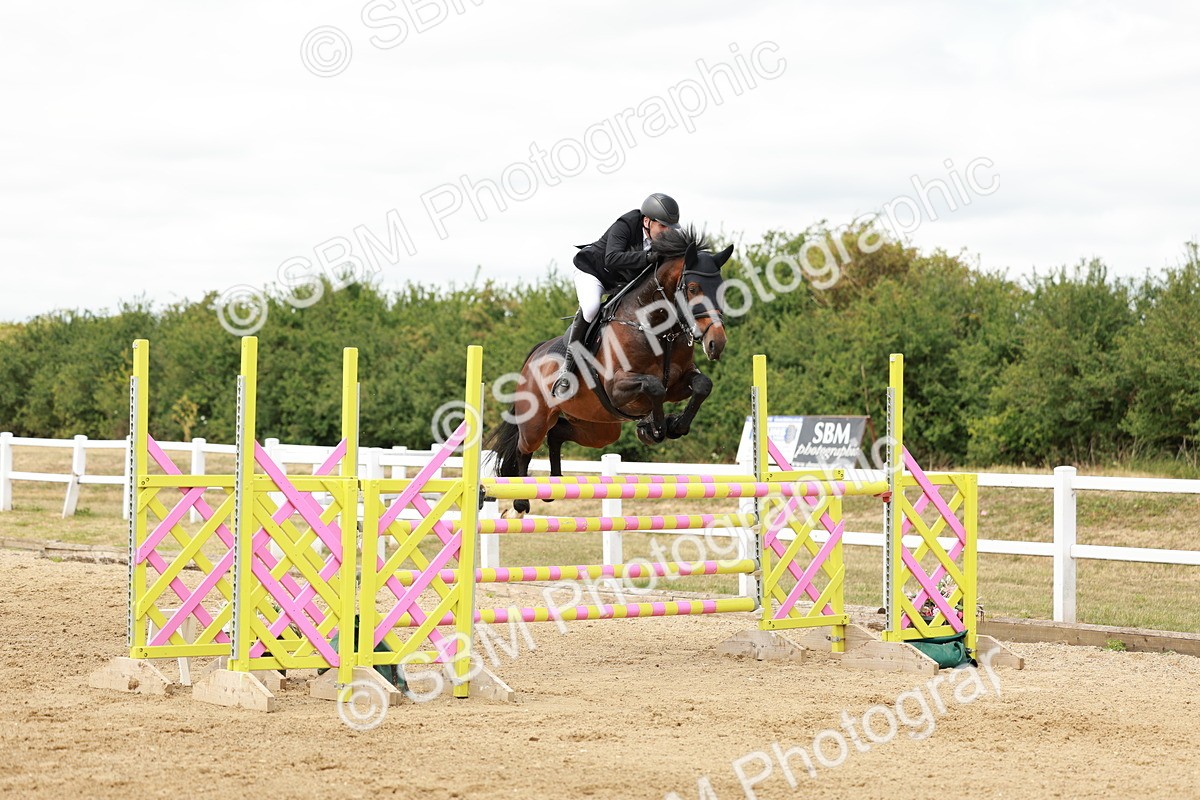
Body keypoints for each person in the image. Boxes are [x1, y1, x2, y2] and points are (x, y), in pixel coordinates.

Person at [551, 193, 681, 397]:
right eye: (663, 226)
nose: (667, 232)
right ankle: (567, 368)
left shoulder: (665, 238)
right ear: (647, 221)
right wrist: (648, 257)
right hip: (593, 272)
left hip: (621, 281)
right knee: (592, 307)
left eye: (670, 227)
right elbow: (612, 258)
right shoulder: (626, 224)